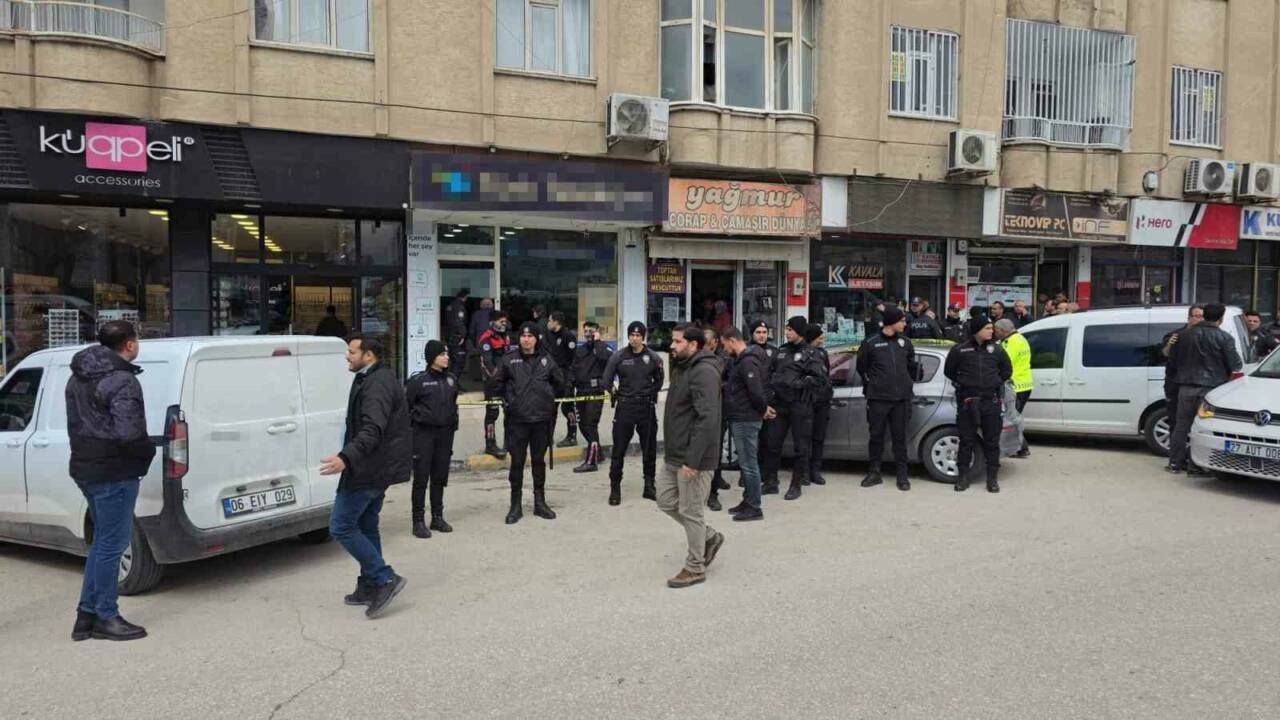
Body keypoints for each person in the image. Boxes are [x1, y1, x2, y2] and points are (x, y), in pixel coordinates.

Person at [66, 320, 157, 641]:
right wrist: (148, 453)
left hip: (86, 467)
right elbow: (129, 433)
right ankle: (106, 615)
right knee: (112, 545)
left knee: (102, 544)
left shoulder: (78, 375)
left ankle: (86, 616)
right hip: (114, 472)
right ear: (130, 344)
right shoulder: (122, 380)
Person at [321, 335, 411, 618]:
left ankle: (384, 578)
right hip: (375, 467)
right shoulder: (369, 378)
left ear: (368, 355)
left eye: (352, 351)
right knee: (367, 525)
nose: (347, 356)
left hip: (367, 469)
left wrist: (345, 458)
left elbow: (373, 429)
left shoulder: (377, 384)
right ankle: (369, 584)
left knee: (341, 526)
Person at [657, 323, 725, 589]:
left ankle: (695, 566)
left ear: (694, 345)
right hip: (675, 454)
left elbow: (708, 419)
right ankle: (708, 536)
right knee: (665, 500)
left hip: (693, 458)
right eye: (672, 341)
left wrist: (693, 460)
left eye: (677, 342)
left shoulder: (704, 371)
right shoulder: (682, 367)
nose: (671, 346)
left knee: (691, 511)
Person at [492, 322, 567, 523]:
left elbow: (560, 384)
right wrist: (509, 402)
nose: (526, 340)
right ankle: (515, 505)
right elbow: (496, 384)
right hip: (517, 421)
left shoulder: (547, 360)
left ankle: (539, 503)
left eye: (530, 336)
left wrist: (547, 399)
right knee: (517, 462)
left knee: (538, 461)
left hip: (541, 420)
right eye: (523, 336)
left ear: (536, 339)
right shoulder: (509, 360)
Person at [1166, 303, 1242, 474]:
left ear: (1204, 315)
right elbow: (1236, 364)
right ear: (1221, 318)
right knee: (1203, 427)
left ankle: (1175, 463)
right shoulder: (1224, 338)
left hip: (1185, 386)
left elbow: (1172, 358)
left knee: (1181, 426)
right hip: (1211, 389)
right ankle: (1196, 466)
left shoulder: (1183, 335)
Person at [944, 318, 1013, 493]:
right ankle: (963, 477)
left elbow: (1007, 370)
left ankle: (992, 479)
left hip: (990, 402)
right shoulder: (960, 350)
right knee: (966, 441)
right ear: (977, 330)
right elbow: (949, 371)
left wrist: (995, 382)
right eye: (987, 328)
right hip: (968, 402)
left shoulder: (997, 349)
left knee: (992, 442)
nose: (991, 331)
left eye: (991, 328)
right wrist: (964, 382)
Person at [763, 316, 826, 501]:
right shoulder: (781, 351)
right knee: (772, 445)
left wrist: (799, 383)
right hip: (779, 405)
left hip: (800, 405)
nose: (786, 332)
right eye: (786, 329)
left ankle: (796, 484)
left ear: (799, 331)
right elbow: (769, 373)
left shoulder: (811, 353)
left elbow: (819, 379)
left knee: (801, 447)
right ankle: (771, 482)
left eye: (790, 329)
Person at [856, 307, 918, 491]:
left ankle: (902, 476)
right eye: (902, 320)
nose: (905, 324)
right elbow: (862, 367)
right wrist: (872, 385)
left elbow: (911, 367)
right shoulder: (871, 342)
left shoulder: (906, 343)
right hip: (878, 399)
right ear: (892, 321)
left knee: (900, 438)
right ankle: (874, 473)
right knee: (876, 437)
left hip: (901, 400)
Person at [602, 322, 665, 505]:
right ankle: (615, 488)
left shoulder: (652, 357)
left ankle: (649, 486)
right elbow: (606, 379)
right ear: (628, 336)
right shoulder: (618, 356)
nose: (634, 338)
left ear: (643, 337)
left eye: (638, 335)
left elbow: (659, 379)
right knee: (619, 449)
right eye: (632, 335)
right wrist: (614, 393)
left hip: (646, 408)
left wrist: (651, 393)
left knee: (649, 449)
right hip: (625, 407)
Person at [405, 340, 458, 539]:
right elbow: (407, 407)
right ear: (432, 357)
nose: (446, 357)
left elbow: (453, 404)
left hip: (445, 434)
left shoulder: (451, 379)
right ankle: (418, 520)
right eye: (442, 354)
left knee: (439, 477)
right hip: (423, 435)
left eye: (447, 354)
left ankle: (437, 517)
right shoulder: (418, 381)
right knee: (421, 478)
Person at [722, 327, 769, 521]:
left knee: (749, 464)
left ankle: (754, 507)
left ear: (732, 341)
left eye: (725, 344)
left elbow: (756, 391)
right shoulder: (740, 361)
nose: (724, 349)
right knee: (745, 463)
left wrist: (762, 409)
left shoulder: (747, 362)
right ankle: (748, 500)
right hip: (741, 416)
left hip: (746, 418)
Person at [571, 321, 612, 475]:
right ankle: (598, 453)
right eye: (586, 330)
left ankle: (591, 461)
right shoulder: (580, 350)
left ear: (597, 332)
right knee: (582, 425)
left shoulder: (603, 347)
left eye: (591, 331)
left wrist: (597, 342)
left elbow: (605, 358)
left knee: (590, 425)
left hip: (595, 392)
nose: (588, 333)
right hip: (581, 391)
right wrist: (569, 387)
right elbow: (573, 369)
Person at [1161, 306, 1204, 442]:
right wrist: (1169, 345)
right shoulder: (1175, 335)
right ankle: (1175, 453)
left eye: (1203, 316)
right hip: (1175, 384)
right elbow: (1164, 354)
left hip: (1198, 385)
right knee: (1175, 421)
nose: (1201, 319)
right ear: (1189, 318)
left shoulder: (1206, 336)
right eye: (1197, 316)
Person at [748, 321, 780, 493]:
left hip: (770, 403)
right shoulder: (747, 351)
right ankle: (751, 475)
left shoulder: (774, 352)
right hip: (750, 404)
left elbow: (778, 375)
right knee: (751, 443)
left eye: (764, 332)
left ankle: (770, 478)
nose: (761, 335)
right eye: (758, 332)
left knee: (770, 442)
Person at [703, 326, 731, 512]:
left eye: (707, 343)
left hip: (718, 411)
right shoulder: (692, 360)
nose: (705, 347)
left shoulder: (723, 361)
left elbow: (730, 382)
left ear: (714, 343)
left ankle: (713, 493)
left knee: (715, 451)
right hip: (698, 412)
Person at [994, 318, 1033, 458]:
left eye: (996, 331)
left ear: (1003, 330)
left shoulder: (1010, 343)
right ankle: (1019, 448)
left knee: (1012, 419)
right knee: (1013, 417)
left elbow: (1003, 363)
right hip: (1025, 384)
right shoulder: (1021, 339)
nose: (995, 333)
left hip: (1015, 386)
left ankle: (1021, 449)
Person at [477, 311, 511, 459]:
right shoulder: (486, 339)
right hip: (493, 383)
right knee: (492, 414)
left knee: (510, 413)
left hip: (507, 383)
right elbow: (487, 363)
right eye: (501, 321)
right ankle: (490, 445)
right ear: (492, 322)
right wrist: (496, 378)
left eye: (505, 321)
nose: (504, 324)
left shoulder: (506, 337)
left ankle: (509, 443)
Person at [805, 323, 833, 486]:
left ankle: (815, 470)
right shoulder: (803, 352)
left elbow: (826, 374)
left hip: (822, 401)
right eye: (819, 337)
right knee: (805, 438)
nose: (821, 340)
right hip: (807, 400)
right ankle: (804, 471)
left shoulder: (823, 353)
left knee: (819, 437)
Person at [545, 312, 578, 448]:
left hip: (566, 377)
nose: (548, 323)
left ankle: (572, 436)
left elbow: (573, 359)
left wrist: (570, 379)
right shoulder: (550, 335)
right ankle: (548, 438)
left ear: (556, 322)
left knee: (567, 408)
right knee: (551, 408)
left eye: (550, 320)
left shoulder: (567, 336)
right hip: (554, 377)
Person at [444, 289, 470, 377]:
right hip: (456, 336)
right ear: (465, 296)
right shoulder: (459, 306)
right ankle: (453, 381)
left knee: (453, 359)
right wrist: (462, 335)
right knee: (459, 360)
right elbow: (459, 322)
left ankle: (451, 379)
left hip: (449, 335)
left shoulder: (450, 305)